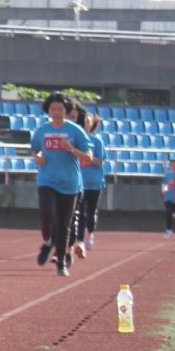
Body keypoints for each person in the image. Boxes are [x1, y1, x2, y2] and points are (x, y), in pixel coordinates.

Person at [31, 94, 93, 275]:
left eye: (60, 109)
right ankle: (48, 241)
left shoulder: (75, 131)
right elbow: (35, 149)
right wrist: (38, 158)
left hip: (69, 183)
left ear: (66, 111)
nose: (56, 112)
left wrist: (71, 149)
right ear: (48, 111)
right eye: (53, 109)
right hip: (47, 180)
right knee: (47, 214)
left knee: (64, 225)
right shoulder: (42, 131)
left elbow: (88, 157)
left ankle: (61, 263)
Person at [72, 109, 107, 256]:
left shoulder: (97, 141)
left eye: (88, 121)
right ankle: (80, 241)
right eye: (84, 121)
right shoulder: (77, 140)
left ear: (92, 124)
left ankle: (90, 233)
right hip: (80, 182)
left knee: (91, 213)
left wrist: (89, 158)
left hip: (95, 182)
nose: (86, 123)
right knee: (80, 212)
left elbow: (101, 162)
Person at [162, 154, 175, 240]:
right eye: (171, 164)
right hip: (169, 198)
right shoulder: (167, 175)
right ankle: (168, 230)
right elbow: (164, 186)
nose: (173, 165)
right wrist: (165, 189)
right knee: (169, 213)